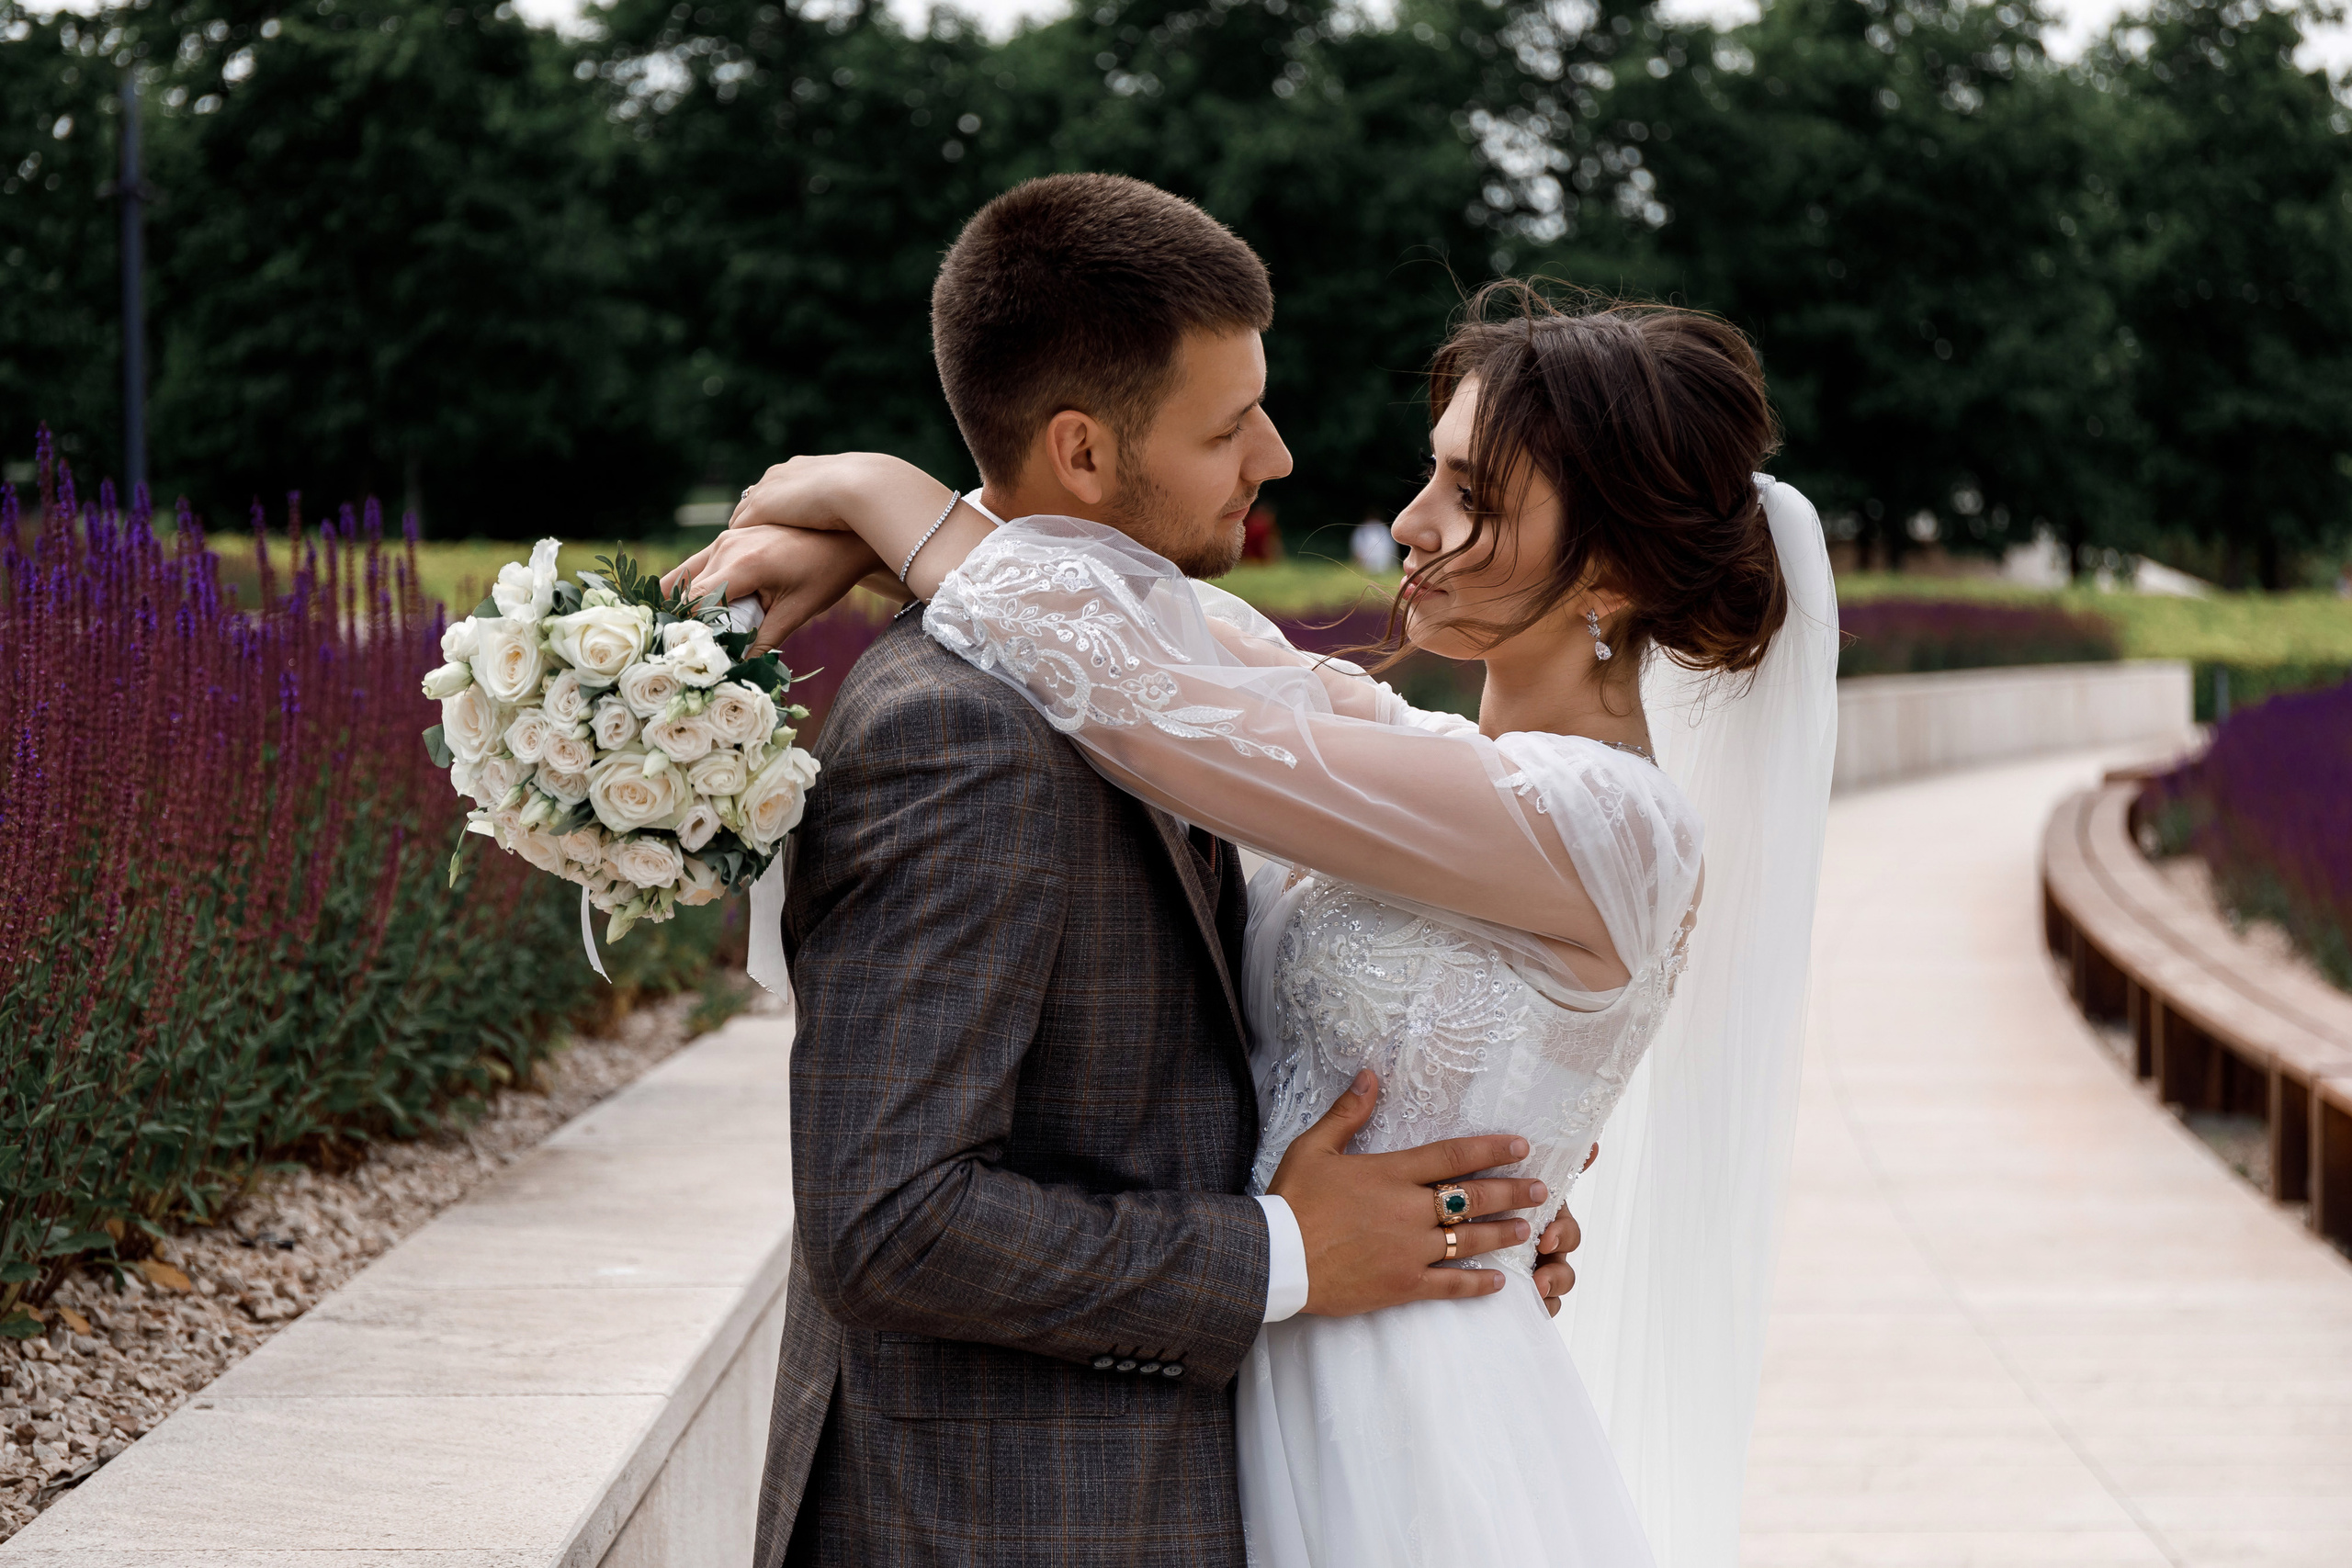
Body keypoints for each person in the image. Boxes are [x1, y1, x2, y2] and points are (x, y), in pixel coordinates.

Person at [686, 255, 1839, 1562]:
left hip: (1410, 1416)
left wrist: (870, 489)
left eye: (1474, 497)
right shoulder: (1414, 758)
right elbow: (1149, 624)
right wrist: (879, 537)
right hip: (1273, 1368)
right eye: (1431, 472)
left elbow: (1149, 704)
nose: (1411, 523)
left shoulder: (1610, 826)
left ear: (1613, 575)